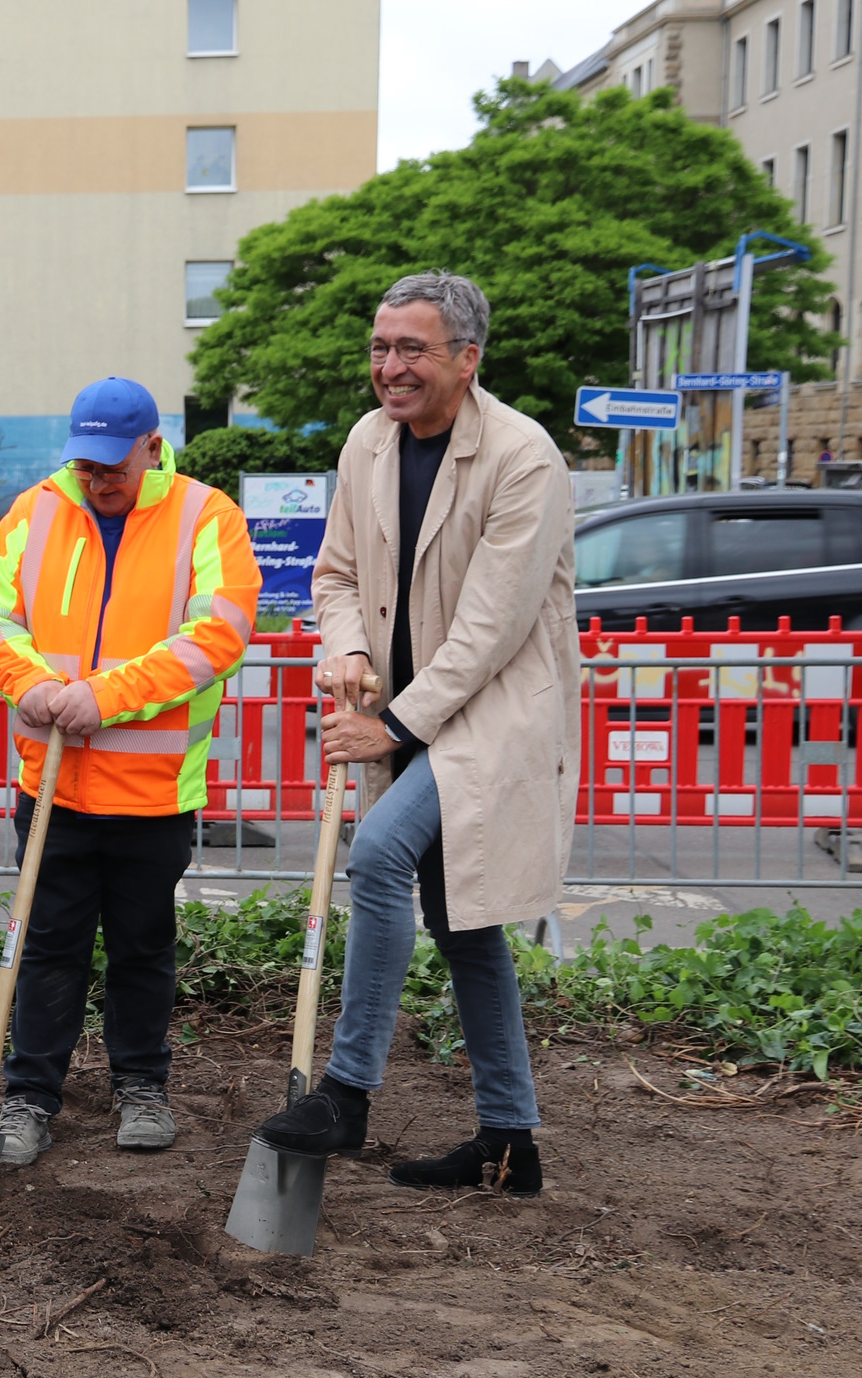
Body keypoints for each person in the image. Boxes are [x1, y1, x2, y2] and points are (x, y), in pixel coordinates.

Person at [252, 273, 579, 1195]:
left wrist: (388, 722)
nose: (389, 369)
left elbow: (491, 629)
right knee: (462, 924)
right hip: (403, 706)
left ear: (468, 360)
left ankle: (346, 1094)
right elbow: (338, 575)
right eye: (379, 348)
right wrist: (349, 652)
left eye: (413, 350)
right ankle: (511, 1144)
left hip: (492, 713)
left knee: (379, 857)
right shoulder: (368, 442)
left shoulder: (523, 458)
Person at [0, 376, 261, 1166]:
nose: (98, 481)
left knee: (141, 947)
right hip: (51, 786)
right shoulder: (38, 509)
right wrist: (38, 687)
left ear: (152, 448)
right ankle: (28, 1099)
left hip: (154, 795)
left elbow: (217, 635)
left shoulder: (207, 515)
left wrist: (105, 697)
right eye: (86, 466)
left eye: (113, 467)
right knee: (49, 947)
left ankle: (141, 1087)